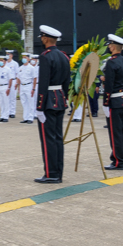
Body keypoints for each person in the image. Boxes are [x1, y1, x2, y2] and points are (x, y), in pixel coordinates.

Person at [34, 26, 70, 183]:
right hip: (60, 98)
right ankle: (58, 172)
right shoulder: (64, 56)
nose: (41, 39)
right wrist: (65, 97)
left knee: (48, 139)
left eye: (42, 37)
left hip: (48, 100)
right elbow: (67, 82)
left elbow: (43, 83)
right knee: (57, 138)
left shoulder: (46, 56)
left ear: (46, 39)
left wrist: (39, 107)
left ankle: (51, 173)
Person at [103, 34, 123, 171]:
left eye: (110, 45)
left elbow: (109, 84)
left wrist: (105, 102)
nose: (109, 47)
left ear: (113, 46)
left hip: (114, 100)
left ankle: (117, 161)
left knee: (115, 133)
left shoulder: (111, 62)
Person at [16, 54, 36, 123]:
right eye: (23, 57)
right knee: (24, 102)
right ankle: (25, 117)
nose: (23, 59)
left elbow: (34, 78)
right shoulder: (20, 68)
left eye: (25, 57)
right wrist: (19, 88)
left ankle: (30, 118)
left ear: (28, 59)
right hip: (22, 86)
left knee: (30, 102)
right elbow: (18, 78)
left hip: (29, 85)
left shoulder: (31, 68)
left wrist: (33, 88)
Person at [0, 57, 11, 122]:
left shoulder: (7, 69)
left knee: (6, 102)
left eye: (2, 60)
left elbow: (10, 79)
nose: (0, 62)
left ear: (5, 61)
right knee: (1, 102)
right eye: (0, 60)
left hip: (5, 86)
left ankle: (6, 117)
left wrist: (9, 88)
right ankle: (2, 116)